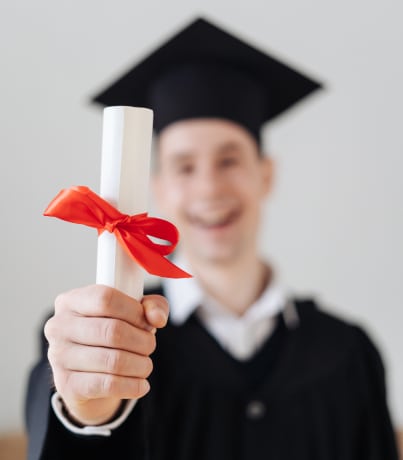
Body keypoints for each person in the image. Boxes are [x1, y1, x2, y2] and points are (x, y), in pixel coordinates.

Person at [25, 17, 399, 460]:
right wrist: (87, 411)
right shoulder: (100, 332)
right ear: (159, 187)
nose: (209, 188)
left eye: (229, 160)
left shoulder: (348, 352)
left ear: (266, 174)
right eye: (184, 166)